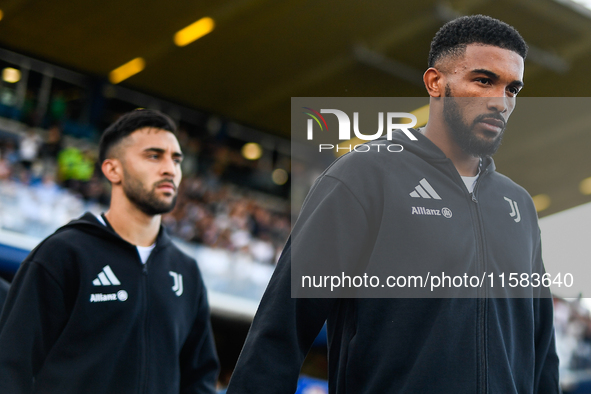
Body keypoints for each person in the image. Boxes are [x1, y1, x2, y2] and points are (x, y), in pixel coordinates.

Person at [226, 15, 560, 393]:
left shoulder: (518, 206)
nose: (500, 101)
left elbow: (542, 353)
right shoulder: (365, 175)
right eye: (483, 80)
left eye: (512, 89)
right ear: (436, 82)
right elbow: (281, 330)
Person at [0, 109, 219, 393]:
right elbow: (11, 365)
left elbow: (199, 379)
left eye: (176, 159)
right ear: (112, 169)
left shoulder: (187, 272)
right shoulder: (63, 253)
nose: (170, 169)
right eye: (154, 156)